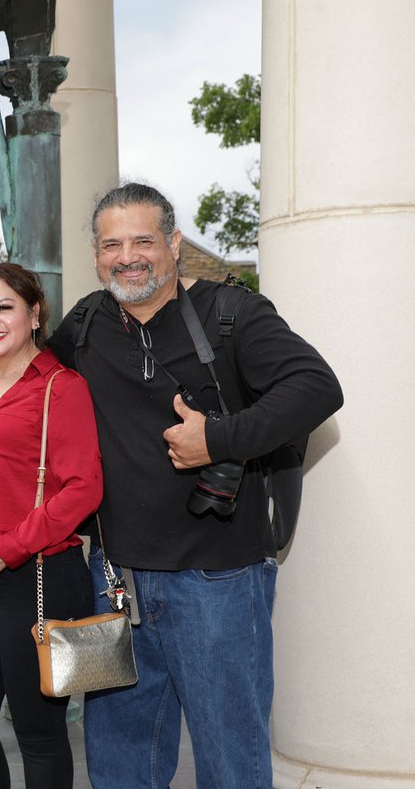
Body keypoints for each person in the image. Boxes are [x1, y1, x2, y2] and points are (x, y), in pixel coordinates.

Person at [49, 183, 343, 788]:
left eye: (142, 240)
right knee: (119, 763)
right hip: (116, 584)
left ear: (174, 243)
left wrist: (219, 439)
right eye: (112, 244)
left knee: (231, 762)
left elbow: (317, 387)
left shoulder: (233, 314)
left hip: (220, 581)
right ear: (96, 254)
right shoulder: (84, 324)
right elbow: (29, 393)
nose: (127, 256)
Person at [0, 263, 102, 788]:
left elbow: (84, 488)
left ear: (34, 313)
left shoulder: (62, 387)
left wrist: (7, 547)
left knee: (38, 729)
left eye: (4, 307)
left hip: (38, 574)